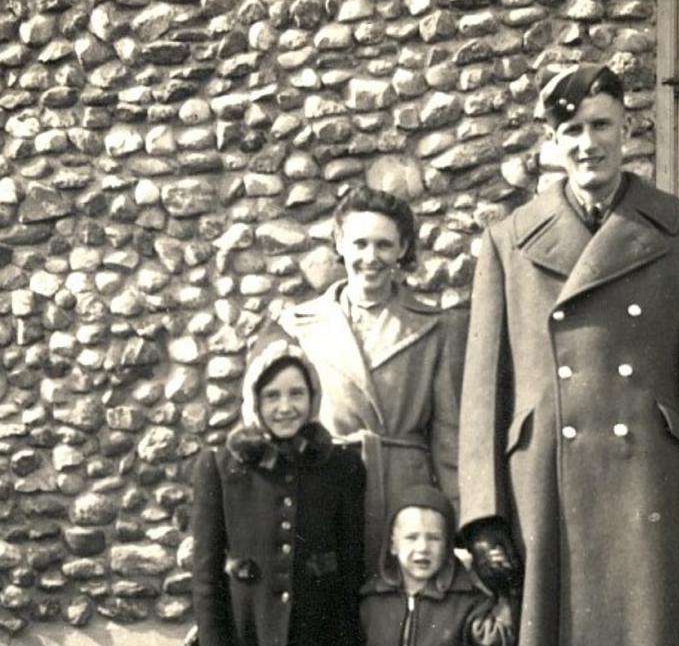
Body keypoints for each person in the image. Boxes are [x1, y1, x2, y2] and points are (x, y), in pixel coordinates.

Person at [457, 63, 679, 646]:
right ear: (552, 142)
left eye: (601, 125)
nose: (589, 144)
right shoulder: (508, 242)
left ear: (626, 129)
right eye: (572, 131)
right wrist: (483, 515)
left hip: (647, 483)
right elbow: (484, 389)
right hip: (543, 486)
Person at [279, 189, 464, 569]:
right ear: (339, 243)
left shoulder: (435, 328)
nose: (370, 257)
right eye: (360, 244)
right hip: (325, 489)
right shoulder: (299, 326)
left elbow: (449, 440)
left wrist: (460, 526)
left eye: (384, 245)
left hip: (404, 498)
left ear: (403, 249)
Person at [189, 327, 365, 646]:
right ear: (255, 400)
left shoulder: (342, 467)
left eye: (296, 394)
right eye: (272, 396)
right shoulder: (220, 468)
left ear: (312, 397)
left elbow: (350, 575)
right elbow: (206, 578)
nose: (285, 407)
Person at [360, 485, 514, 646]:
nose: (423, 548)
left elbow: (498, 640)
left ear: (447, 546)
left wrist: (507, 589)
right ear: (393, 544)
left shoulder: (468, 604)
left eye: (434, 538)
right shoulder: (371, 602)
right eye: (411, 537)